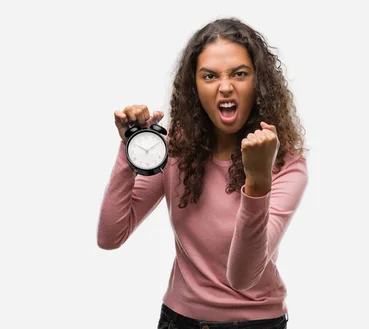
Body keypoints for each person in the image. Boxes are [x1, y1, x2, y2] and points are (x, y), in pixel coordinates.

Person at [97, 17, 307, 329]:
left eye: (239, 74)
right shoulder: (177, 149)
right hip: (180, 320)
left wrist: (259, 180)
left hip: (258, 324)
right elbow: (110, 236)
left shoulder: (284, 161)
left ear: (258, 82)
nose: (225, 86)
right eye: (210, 76)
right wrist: (132, 147)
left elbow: (243, 278)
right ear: (194, 87)